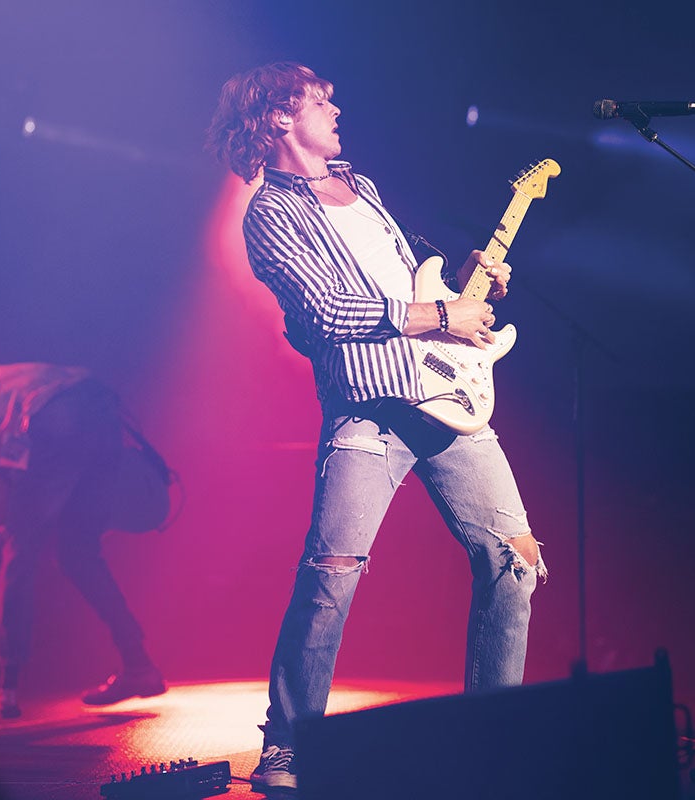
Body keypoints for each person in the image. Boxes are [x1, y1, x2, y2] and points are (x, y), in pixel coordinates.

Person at [206, 61, 546, 791]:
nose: (336, 107)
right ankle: (288, 744)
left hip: (448, 397)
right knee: (332, 574)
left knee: (515, 561)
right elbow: (326, 314)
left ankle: (494, 735)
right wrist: (442, 315)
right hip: (370, 407)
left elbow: (408, 293)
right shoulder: (270, 214)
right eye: (318, 99)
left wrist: (464, 280)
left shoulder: (363, 189)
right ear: (276, 118)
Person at [0, 363, 173, 719]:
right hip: (100, 408)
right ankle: (138, 664)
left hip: (55, 416)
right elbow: (17, 490)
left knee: (19, 555)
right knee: (77, 552)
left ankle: (6, 689)